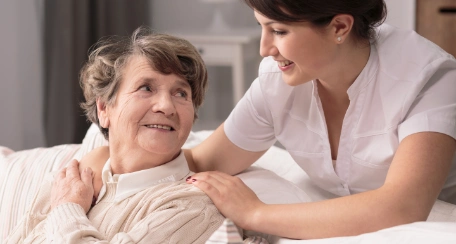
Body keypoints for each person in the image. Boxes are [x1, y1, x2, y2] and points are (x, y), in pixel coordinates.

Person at [82, 0, 456, 240]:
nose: (264, 48)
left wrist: (256, 212)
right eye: (262, 27)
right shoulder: (279, 82)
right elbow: (201, 160)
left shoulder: (428, 78)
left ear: (340, 27)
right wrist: (104, 160)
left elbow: (404, 206)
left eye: (279, 31)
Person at [5, 26, 224, 243]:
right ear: (104, 109)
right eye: (146, 88)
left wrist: (66, 209)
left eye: (181, 93)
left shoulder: (189, 209)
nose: (167, 106)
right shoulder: (70, 182)